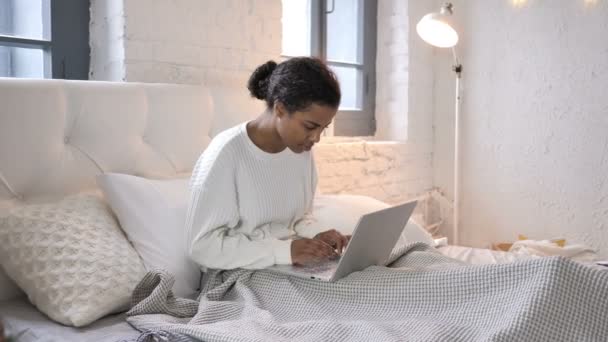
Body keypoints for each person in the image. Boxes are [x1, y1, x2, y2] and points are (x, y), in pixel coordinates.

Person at [185, 57, 350, 270]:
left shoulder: (299, 149)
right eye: (310, 126)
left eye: (323, 128)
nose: (316, 138)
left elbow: (299, 218)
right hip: (239, 274)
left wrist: (316, 237)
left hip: (288, 268)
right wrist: (285, 251)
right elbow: (201, 247)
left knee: (385, 274)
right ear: (280, 109)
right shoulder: (225, 154)